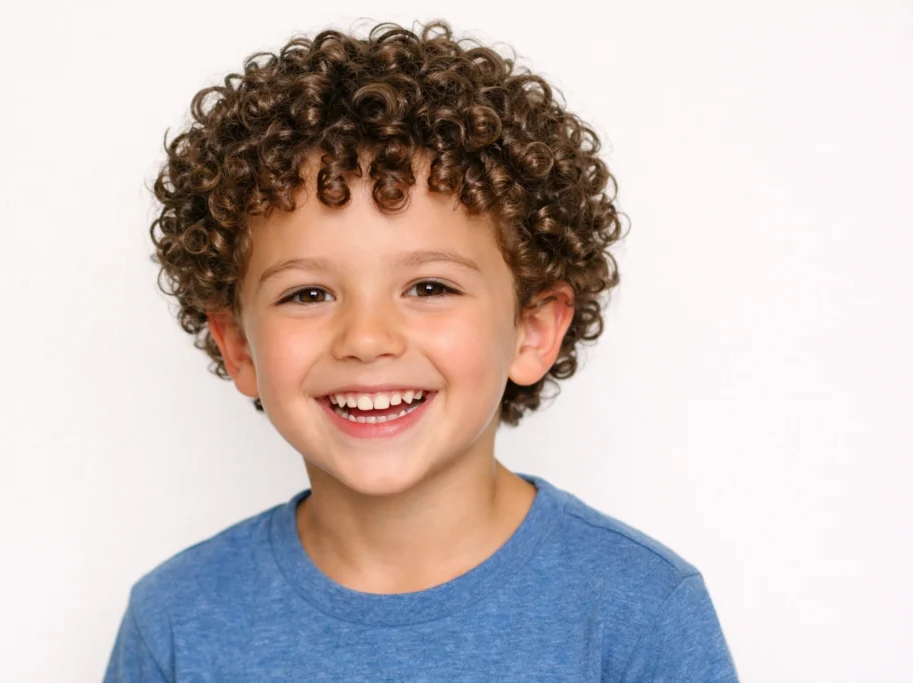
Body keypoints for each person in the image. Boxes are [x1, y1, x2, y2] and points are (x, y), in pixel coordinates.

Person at [103, 19, 738, 682]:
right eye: (308, 294)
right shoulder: (176, 623)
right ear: (238, 345)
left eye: (429, 286)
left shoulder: (638, 613)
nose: (367, 338)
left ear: (532, 329)